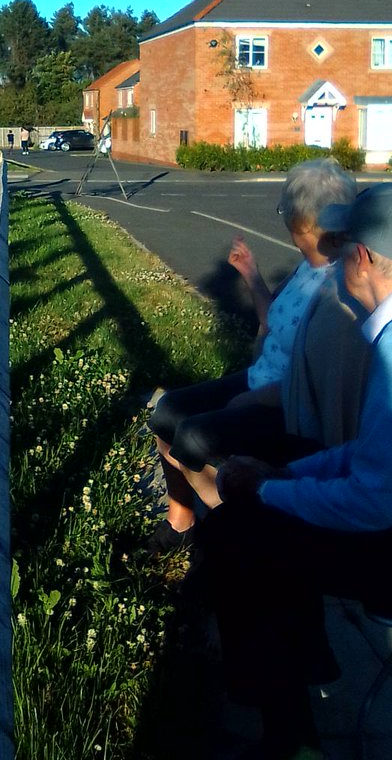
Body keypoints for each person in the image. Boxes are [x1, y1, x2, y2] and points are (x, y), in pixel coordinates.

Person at [200, 184, 392, 760]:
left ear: (363, 258)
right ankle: (298, 668)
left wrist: (268, 488)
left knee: (239, 534)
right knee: (278, 488)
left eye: (342, 245)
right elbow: (374, 453)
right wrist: (285, 475)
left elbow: (371, 504)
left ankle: (290, 740)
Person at [148, 159, 358, 553]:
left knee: (193, 436)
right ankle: (183, 519)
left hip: (289, 403)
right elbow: (275, 320)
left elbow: (318, 382)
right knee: (167, 412)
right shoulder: (308, 266)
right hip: (260, 377)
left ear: (305, 224)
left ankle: (237, 537)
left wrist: (254, 398)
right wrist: (251, 275)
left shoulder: (345, 286)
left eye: (288, 214)